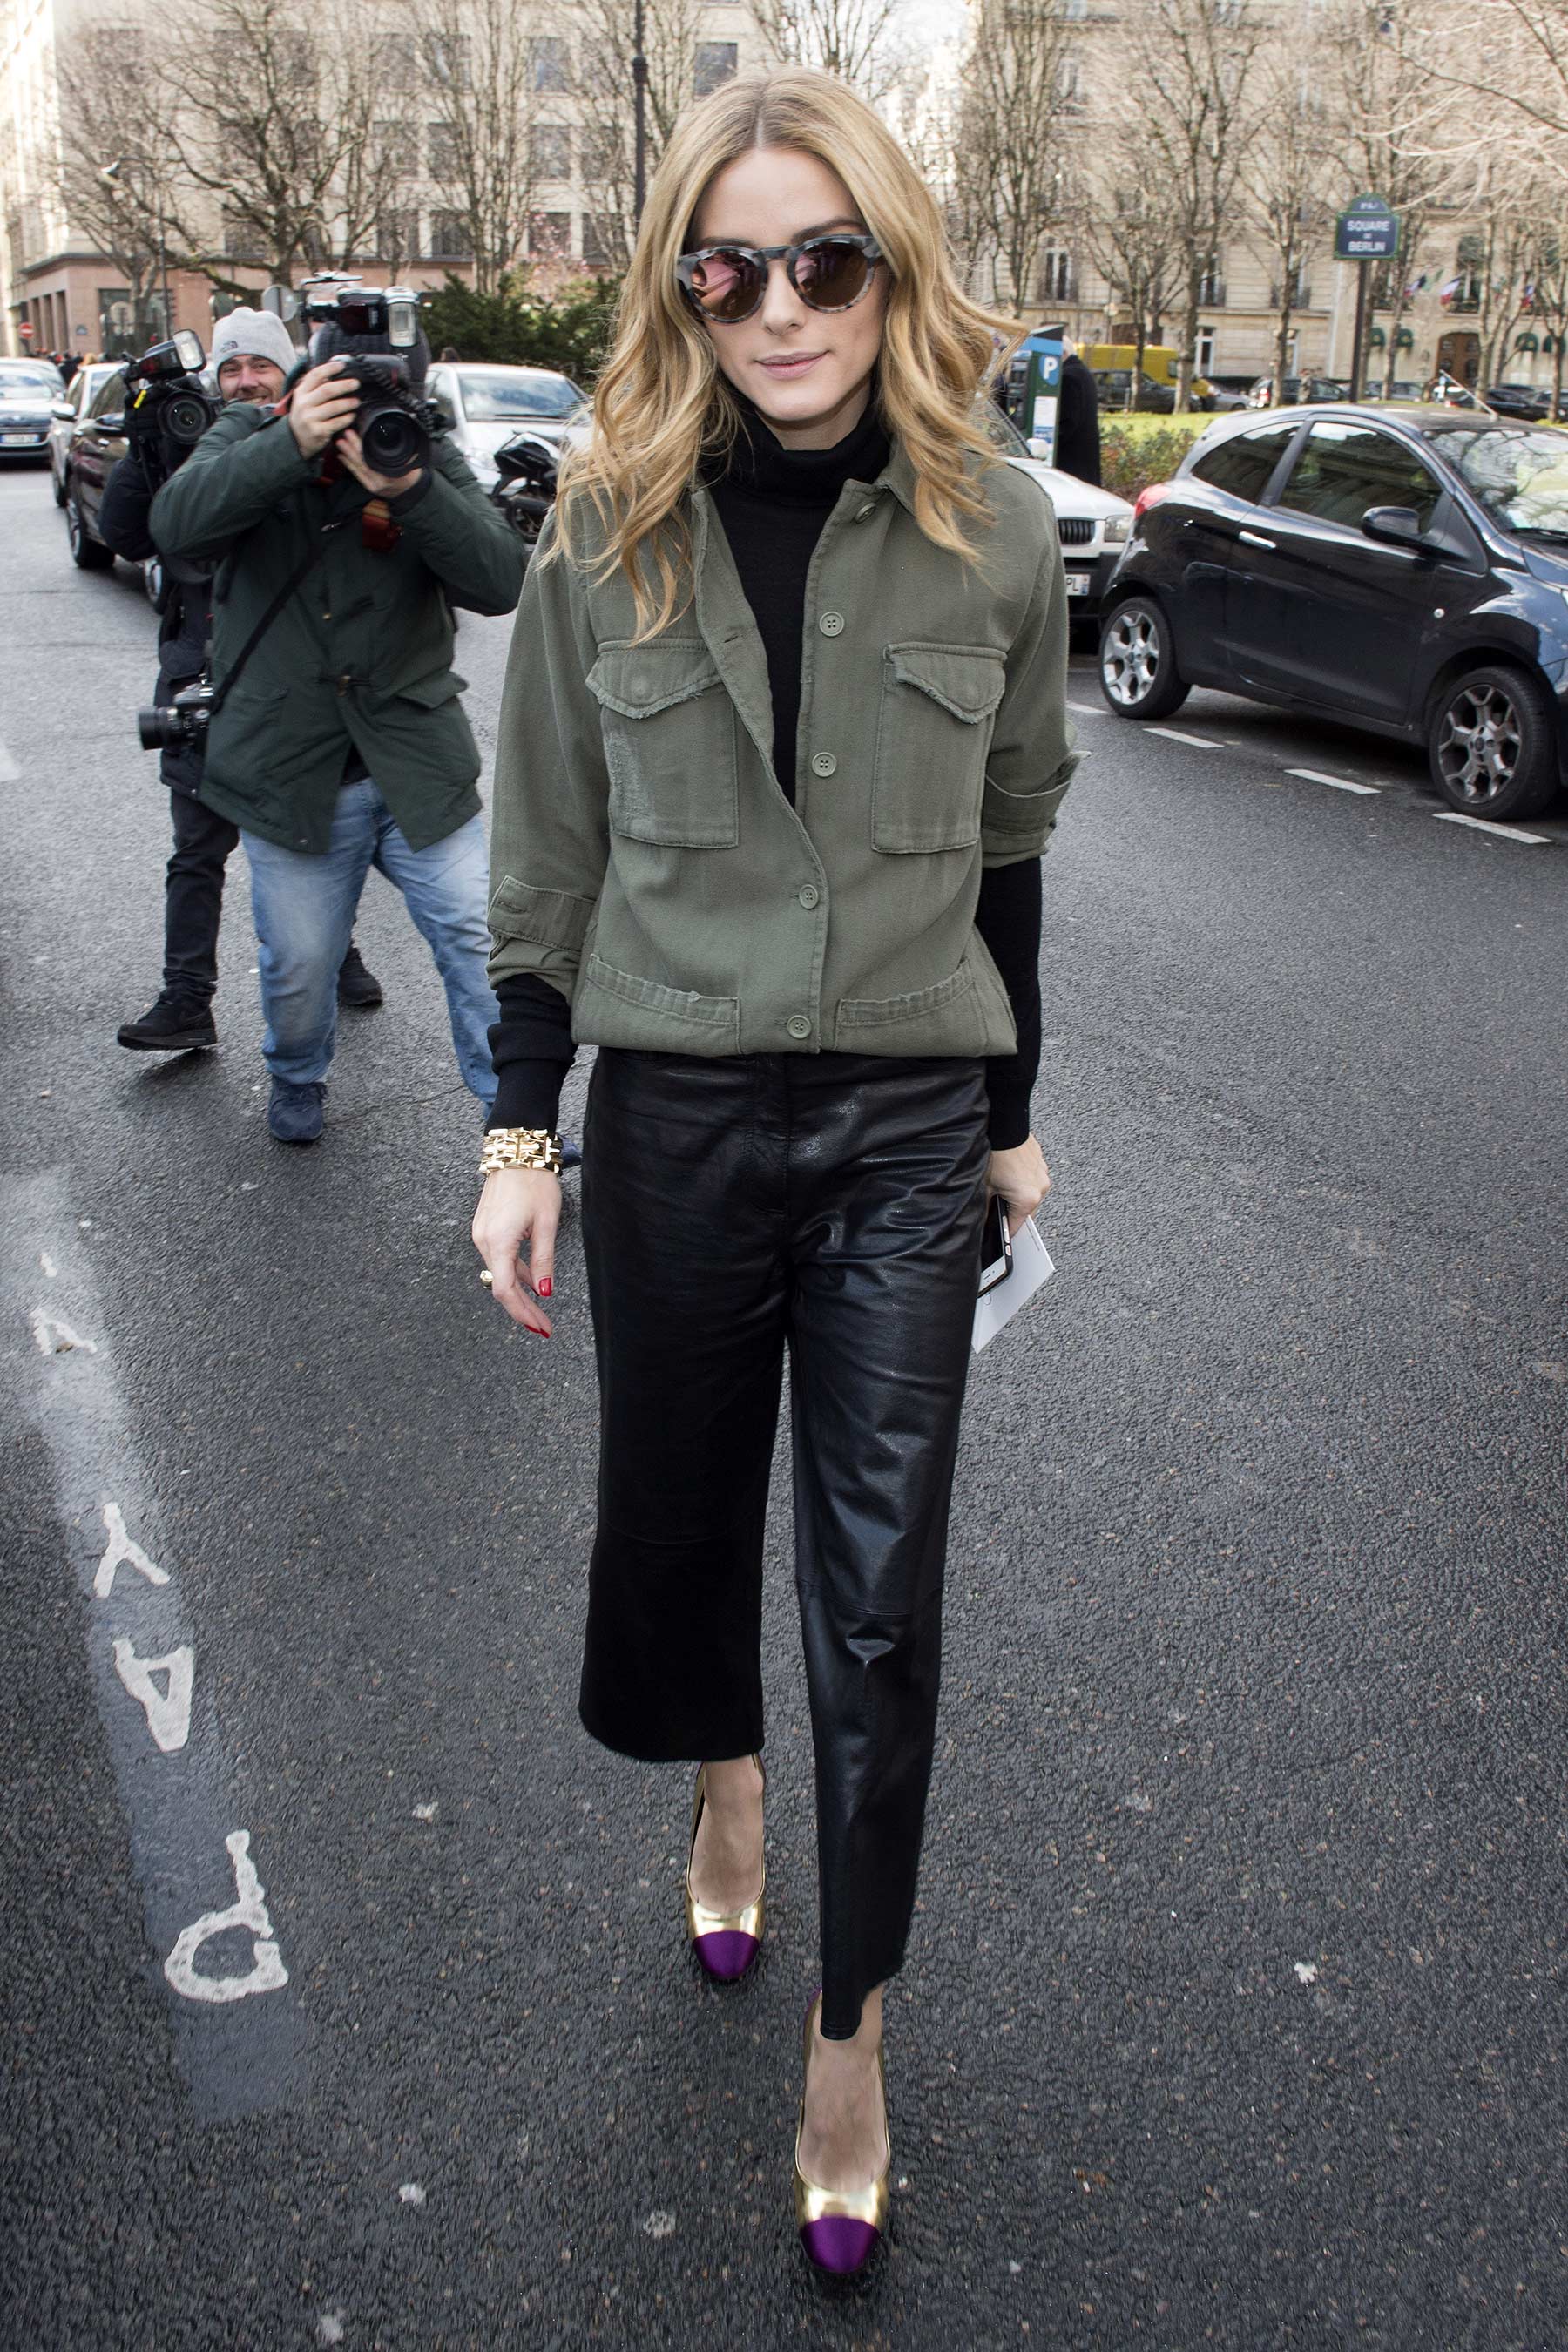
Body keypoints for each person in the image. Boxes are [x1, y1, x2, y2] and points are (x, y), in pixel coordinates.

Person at [471, 65, 1076, 2275]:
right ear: (680, 284)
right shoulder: (604, 520)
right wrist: (522, 1126)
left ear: (888, 265)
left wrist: (1013, 1117)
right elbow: (542, 856)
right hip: (682, 1120)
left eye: (827, 258)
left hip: (907, 1126)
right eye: (730, 268)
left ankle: (851, 2027)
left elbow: (1012, 844)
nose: (781, 307)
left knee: (881, 1596)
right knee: (676, 1507)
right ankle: (722, 1786)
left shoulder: (996, 524)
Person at [150, 307, 526, 1143]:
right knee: (299, 968)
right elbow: (176, 528)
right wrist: (290, 445)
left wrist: (412, 489)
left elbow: (503, 581)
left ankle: (513, 1122)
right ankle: (295, 1072)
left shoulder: (415, 445)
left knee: (480, 943)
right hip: (292, 771)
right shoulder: (251, 433)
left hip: (415, 766)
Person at [101, 308, 385, 1057]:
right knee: (196, 849)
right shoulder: (185, 440)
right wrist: (147, 445)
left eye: (259, 365)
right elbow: (128, 534)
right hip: (197, 672)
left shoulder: (308, 442)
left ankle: (338, 956)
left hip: (287, 683)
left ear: (285, 371)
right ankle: (186, 998)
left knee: (312, 832)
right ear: (214, 380)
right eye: (230, 369)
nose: (245, 380)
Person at [1044, 327, 1102, 485]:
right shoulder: (1080, 372)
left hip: (1072, 464)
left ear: (1063, 354)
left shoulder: (1069, 376)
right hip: (1083, 462)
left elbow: (1068, 421)